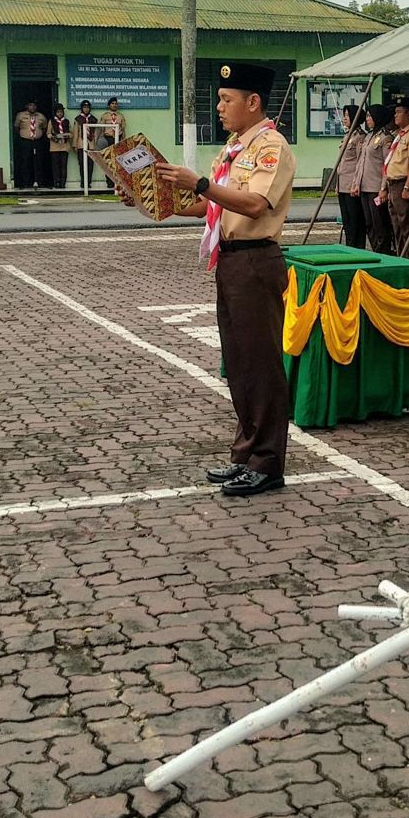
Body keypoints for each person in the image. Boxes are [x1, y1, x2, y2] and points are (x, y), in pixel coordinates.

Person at [158, 61, 296, 498]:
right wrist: (157, 201)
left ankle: (268, 462)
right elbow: (212, 208)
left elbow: (254, 204)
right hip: (232, 261)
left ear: (253, 102)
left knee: (261, 365)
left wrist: (199, 182)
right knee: (239, 364)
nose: (219, 107)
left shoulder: (270, 146)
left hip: (256, 260)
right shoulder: (233, 148)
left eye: (226, 100)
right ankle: (246, 455)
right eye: (219, 99)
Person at [380, 96, 409, 259]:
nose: (395, 115)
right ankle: (401, 256)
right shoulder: (400, 134)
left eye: (399, 112)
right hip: (392, 184)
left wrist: (407, 186)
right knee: (396, 225)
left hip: (402, 183)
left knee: (407, 225)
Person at [351, 104, 394, 253]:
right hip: (364, 187)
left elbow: (387, 165)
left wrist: (383, 188)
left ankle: (383, 252)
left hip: (376, 188)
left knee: (380, 224)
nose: (367, 119)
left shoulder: (385, 138)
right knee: (369, 223)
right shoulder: (369, 136)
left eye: (370, 116)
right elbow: (360, 163)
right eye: (367, 116)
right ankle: (376, 249)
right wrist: (356, 183)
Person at [336, 104, 367, 249]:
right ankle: (349, 246)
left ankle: (356, 248)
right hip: (343, 184)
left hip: (352, 185)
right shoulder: (347, 135)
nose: (344, 119)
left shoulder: (360, 137)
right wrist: (337, 184)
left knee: (355, 222)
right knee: (347, 221)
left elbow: (360, 162)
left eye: (347, 116)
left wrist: (356, 184)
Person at [14, 100, 47, 189]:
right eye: (30, 105)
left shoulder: (41, 116)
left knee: (38, 161)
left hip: (37, 141)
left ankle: (39, 181)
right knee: (25, 161)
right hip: (25, 141)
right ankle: (25, 182)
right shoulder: (21, 115)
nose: (32, 107)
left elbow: (44, 128)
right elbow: (16, 127)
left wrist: (37, 135)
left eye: (34, 105)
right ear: (27, 106)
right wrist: (24, 135)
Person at [97, 97, 127, 189]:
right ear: (109, 105)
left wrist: (123, 141)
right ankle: (109, 182)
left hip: (118, 139)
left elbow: (123, 129)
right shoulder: (105, 116)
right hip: (108, 139)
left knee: (117, 162)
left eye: (116, 103)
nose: (114, 105)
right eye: (112, 103)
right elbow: (101, 130)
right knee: (108, 161)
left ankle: (117, 182)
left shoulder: (120, 116)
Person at [72, 100, 98, 189]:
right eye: (84, 107)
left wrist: (95, 144)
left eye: (87, 107)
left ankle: (89, 182)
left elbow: (96, 133)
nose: (86, 109)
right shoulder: (78, 119)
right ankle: (83, 182)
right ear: (82, 108)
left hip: (91, 144)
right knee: (82, 164)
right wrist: (75, 145)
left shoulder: (93, 119)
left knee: (90, 164)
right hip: (81, 143)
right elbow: (75, 132)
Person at [47, 104, 71, 189]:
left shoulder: (66, 121)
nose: (60, 113)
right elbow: (48, 133)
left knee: (63, 166)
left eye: (61, 112)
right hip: (55, 146)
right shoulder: (52, 121)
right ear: (55, 113)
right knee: (56, 166)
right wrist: (54, 137)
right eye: (58, 112)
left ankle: (63, 182)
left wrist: (67, 135)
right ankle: (56, 182)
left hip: (64, 146)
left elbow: (71, 133)